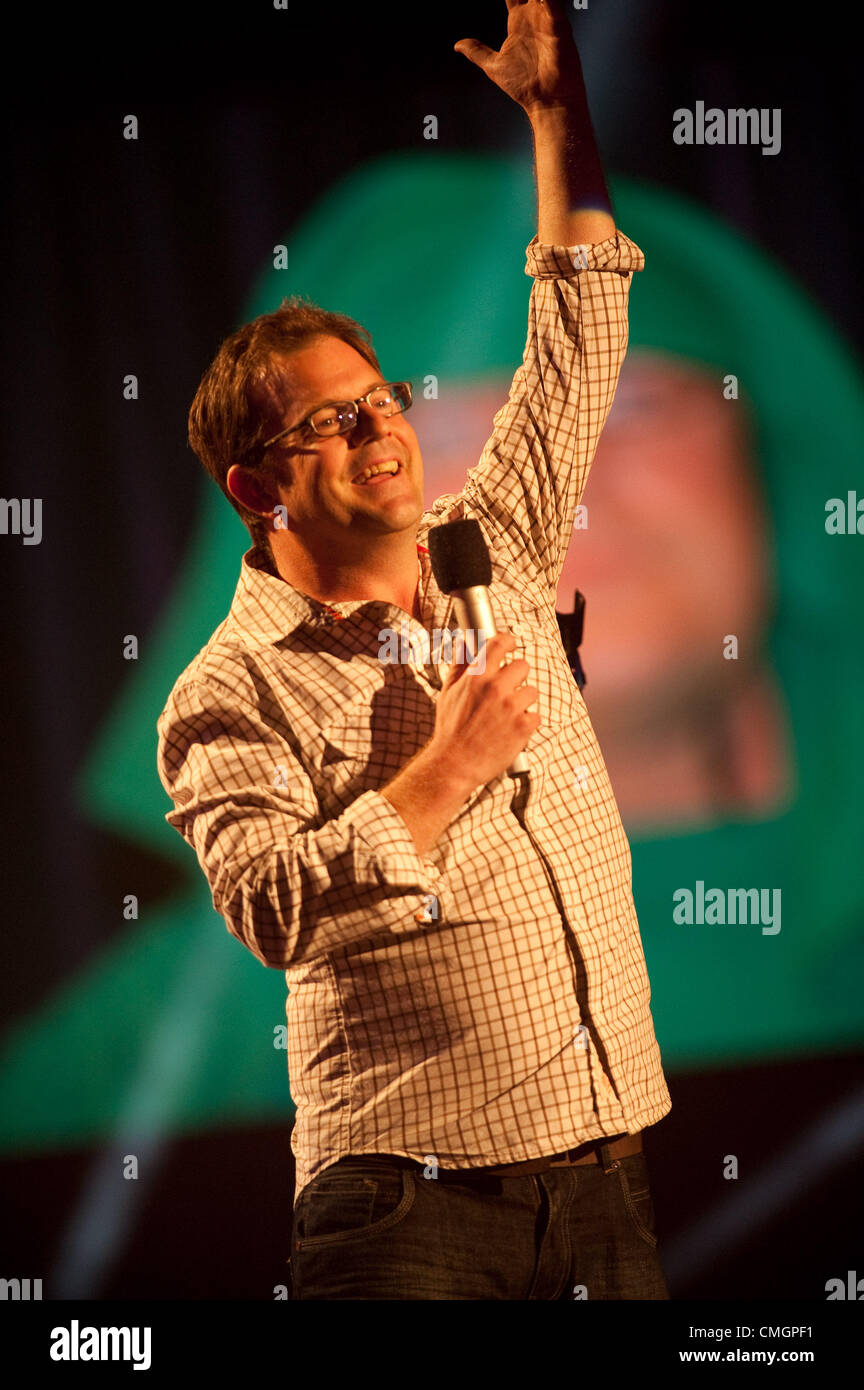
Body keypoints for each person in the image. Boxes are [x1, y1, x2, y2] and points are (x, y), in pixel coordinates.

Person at [157, 0, 671, 1300]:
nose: (380, 432)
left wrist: (560, 117)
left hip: (607, 1180)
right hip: (411, 1216)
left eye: (380, 402)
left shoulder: (495, 539)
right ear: (254, 488)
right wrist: (446, 769)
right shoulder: (228, 690)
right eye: (330, 424)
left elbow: (580, 328)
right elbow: (270, 905)